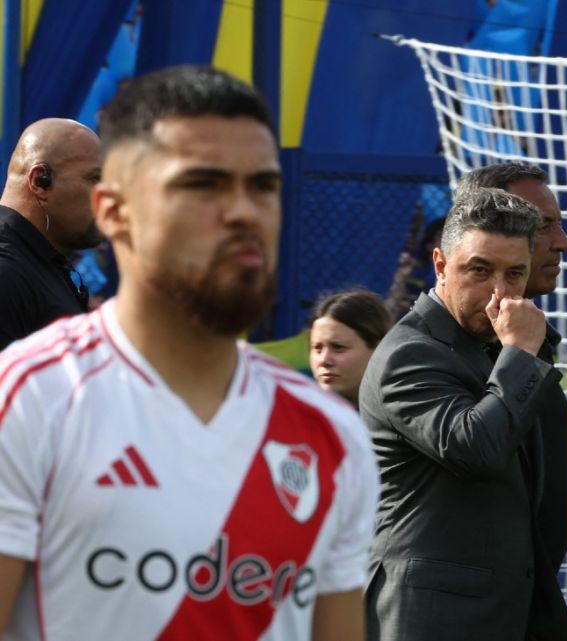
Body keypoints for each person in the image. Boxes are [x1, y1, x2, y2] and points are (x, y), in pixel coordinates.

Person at [0, 66, 377, 641]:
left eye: (263, 186)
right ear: (114, 210)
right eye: (202, 184)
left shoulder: (329, 435)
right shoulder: (29, 397)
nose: (244, 212)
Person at [360, 187, 567, 641]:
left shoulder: (494, 345)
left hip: (513, 613)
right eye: (479, 270)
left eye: (514, 274)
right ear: (440, 265)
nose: (498, 293)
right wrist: (520, 351)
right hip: (430, 620)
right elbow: (476, 448)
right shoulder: (410, 353)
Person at [452, 162, 567, 605]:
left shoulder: (526, 341)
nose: (562, 243)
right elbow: (478, 448)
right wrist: (518, 352)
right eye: (543, 226)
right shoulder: (432, 354)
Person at [0, 118, 103, 350]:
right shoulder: (7, 272)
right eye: (95, 179)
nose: (106, 197)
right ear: (40, 182)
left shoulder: (37, 261)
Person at [309, 287, 393, 408]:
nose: (324, 360)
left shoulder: (407, 415)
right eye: (317, 349)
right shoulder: (296, 417)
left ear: (378, 350)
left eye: (338, 347)